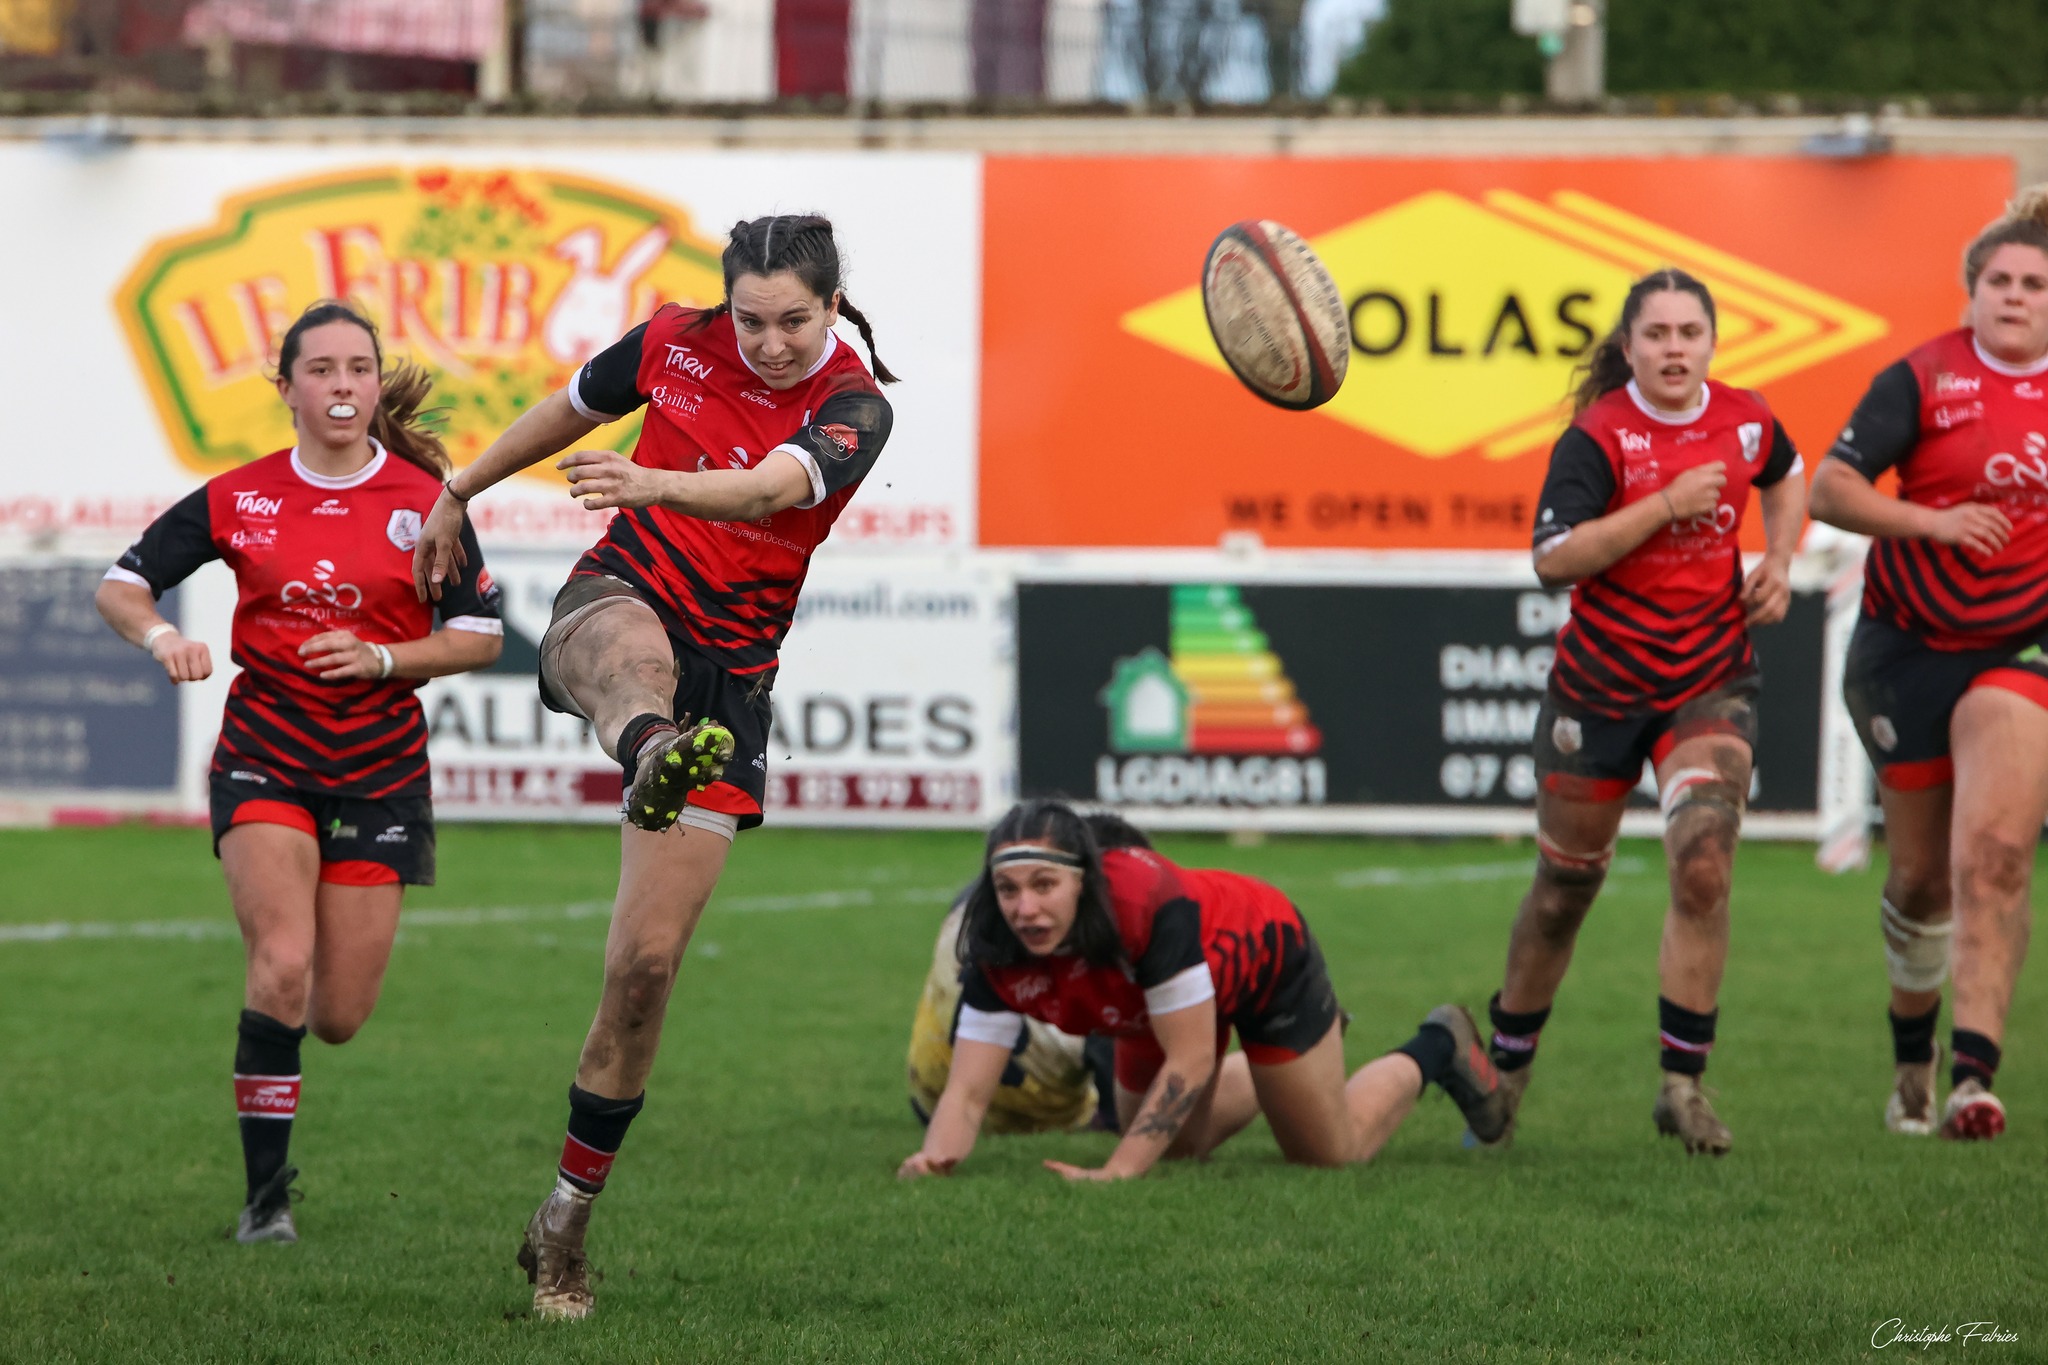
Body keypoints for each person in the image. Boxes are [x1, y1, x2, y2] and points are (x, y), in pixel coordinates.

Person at [411, 214, 896, 1320]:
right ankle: (650, 749)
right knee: (631, 662)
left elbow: (767, 490)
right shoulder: (674, 338)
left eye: (793, 320)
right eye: (751, 320)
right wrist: (460, 488)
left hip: (732, 674)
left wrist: (652, 480)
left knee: (642, 973)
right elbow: (568, 407)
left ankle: (563, 1220)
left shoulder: (855, 406)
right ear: (726, 305)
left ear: (831, 308)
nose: (769, 343)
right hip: (623, 591)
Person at [96, 300, 504, 1242]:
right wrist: (162, 638)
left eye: (359, 368)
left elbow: (480, 634)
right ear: (286, 388)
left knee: (339, 1014)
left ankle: (277, 1072)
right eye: (321, 370)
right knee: (280, 964)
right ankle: (264, 1202)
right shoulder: (240, 496)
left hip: (380, 767)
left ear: (375, 383)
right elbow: (122, 585)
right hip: (266, 753)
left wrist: (383, 658)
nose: (343, 386)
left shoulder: (426, 501)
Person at [1478, 268, 1807, 1157]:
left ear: (1712, 342)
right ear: (1628, 347)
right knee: (1563, 891)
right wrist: (1664, 504)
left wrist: (1780, 557)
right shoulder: (1597, 437)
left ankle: (1682, 1086)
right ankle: (1505, 1072)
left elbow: (1786, 471)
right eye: (1655, 334)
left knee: (1703, 869)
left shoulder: (1745, 417)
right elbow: (1554, 557)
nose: (1673, 348)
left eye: (1689, 332)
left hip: (1708, 680)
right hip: (1599, 690)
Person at [897, 800, 1504, 1182]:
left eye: (1044, 884)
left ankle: (1437, 1045)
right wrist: (934, 1159)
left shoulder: (1144, 905)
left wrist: (1116, 1173)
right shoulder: (993, 940)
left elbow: (1187, 1059)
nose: (1024, 908)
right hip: (1159, 1008)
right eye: (1008, 889)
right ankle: (1289, 1071)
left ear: (1084, 880)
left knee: (1327, 1156)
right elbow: (967, 1090)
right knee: (1175, 1151)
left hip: (1263, 961)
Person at [1807, 187, 2048, 1142]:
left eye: (2035, 283)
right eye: (2000, 280)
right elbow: (1830, 487)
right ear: (1972, 292)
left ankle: (1974, 1078)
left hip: (2020, 644)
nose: (2016, 296)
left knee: (1993, 852)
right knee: (1919, 879)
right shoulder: (1923, 377)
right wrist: (1932, 521)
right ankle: (1915, 1060)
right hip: (1906, 644)